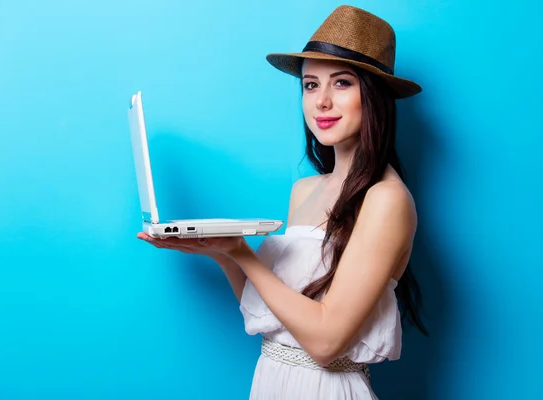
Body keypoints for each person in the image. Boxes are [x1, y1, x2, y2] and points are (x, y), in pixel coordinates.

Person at [138, 5, 428, 399]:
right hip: (273, 381)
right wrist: (222, 253)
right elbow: (277, 313)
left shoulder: (387, 199)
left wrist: (245, 254)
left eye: (341, 83)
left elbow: (326, 342)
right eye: (310, 85)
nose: (321, 101)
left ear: (373, 96)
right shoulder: (305, 190)